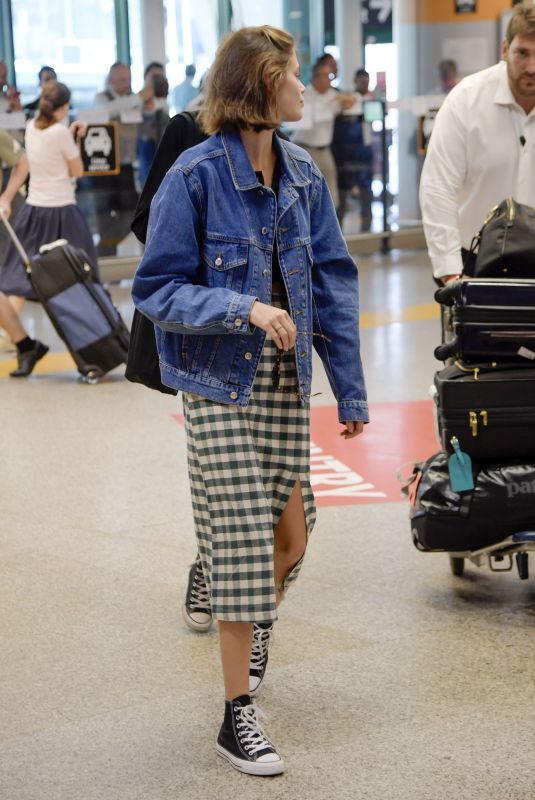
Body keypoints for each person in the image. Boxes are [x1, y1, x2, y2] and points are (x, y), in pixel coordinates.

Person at [132, 25, 368, 776]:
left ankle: (246, 608)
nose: (305, 87)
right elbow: (155, 289)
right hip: (214, 382)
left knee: (291, 538)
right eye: (294, 76)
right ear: (262, 84)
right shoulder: (194, 175)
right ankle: (237, 717)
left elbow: (332, 284)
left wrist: (350, 389)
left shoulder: (302, 176)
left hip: (282, 382)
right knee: (241, 541)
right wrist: (244, 308)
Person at [420, 4, 535, 284]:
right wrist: (450, 273)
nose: (532, 67)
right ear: (505, 50)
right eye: (523, 53)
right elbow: (438, 188)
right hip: (474, 259)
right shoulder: (466, 101)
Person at [0, 81, 98, 377]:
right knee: (80, 283)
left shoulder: (31, 127)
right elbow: (76, 171)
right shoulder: (60, 133)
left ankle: (16, 340)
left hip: (33, 212)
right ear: (64, 108)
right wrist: (74, 140)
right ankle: (93, 350)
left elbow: (43, 156)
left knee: (18, 276)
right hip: (63, 214)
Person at [79, 62, 153, 254]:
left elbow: (150, 116)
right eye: (122, 79)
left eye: (129, 78)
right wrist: (138, 98)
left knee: (132, 213)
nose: (127, 83)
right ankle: (106, 255)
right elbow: (106, 112)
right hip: (104, 169)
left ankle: (104, 247)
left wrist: (148, 103)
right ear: (111, 80)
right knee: (104, 215)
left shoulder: (134, 99)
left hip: (127, 167)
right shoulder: (101, 98)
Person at [292, 58, 356, 208]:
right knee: (306, 190)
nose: (328, 79)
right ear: (316, 77)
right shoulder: (305, 94)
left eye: (330, 76)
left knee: (331, 191)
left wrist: (338, 99)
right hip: (304, 148)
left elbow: (351, 101)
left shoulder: (332, 95)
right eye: (325, 75)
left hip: (325, 150)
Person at [332, 68, 375, 229]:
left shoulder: (371, 99)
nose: (365, 85)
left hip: (366, 148)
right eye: (362, 81)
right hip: (350, 151)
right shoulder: (349, 99)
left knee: (366, 189)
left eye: (367, 81)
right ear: (356, 81)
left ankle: (367, 227)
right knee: (343, 188)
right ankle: (338, 229)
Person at [137, 62, 170, 185]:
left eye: (160, 77)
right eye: (153, 77)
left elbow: (154, 106)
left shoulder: (163, 100)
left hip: (161, 143)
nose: (157, 80)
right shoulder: (137, 98)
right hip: (145, 145)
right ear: (145, 78)